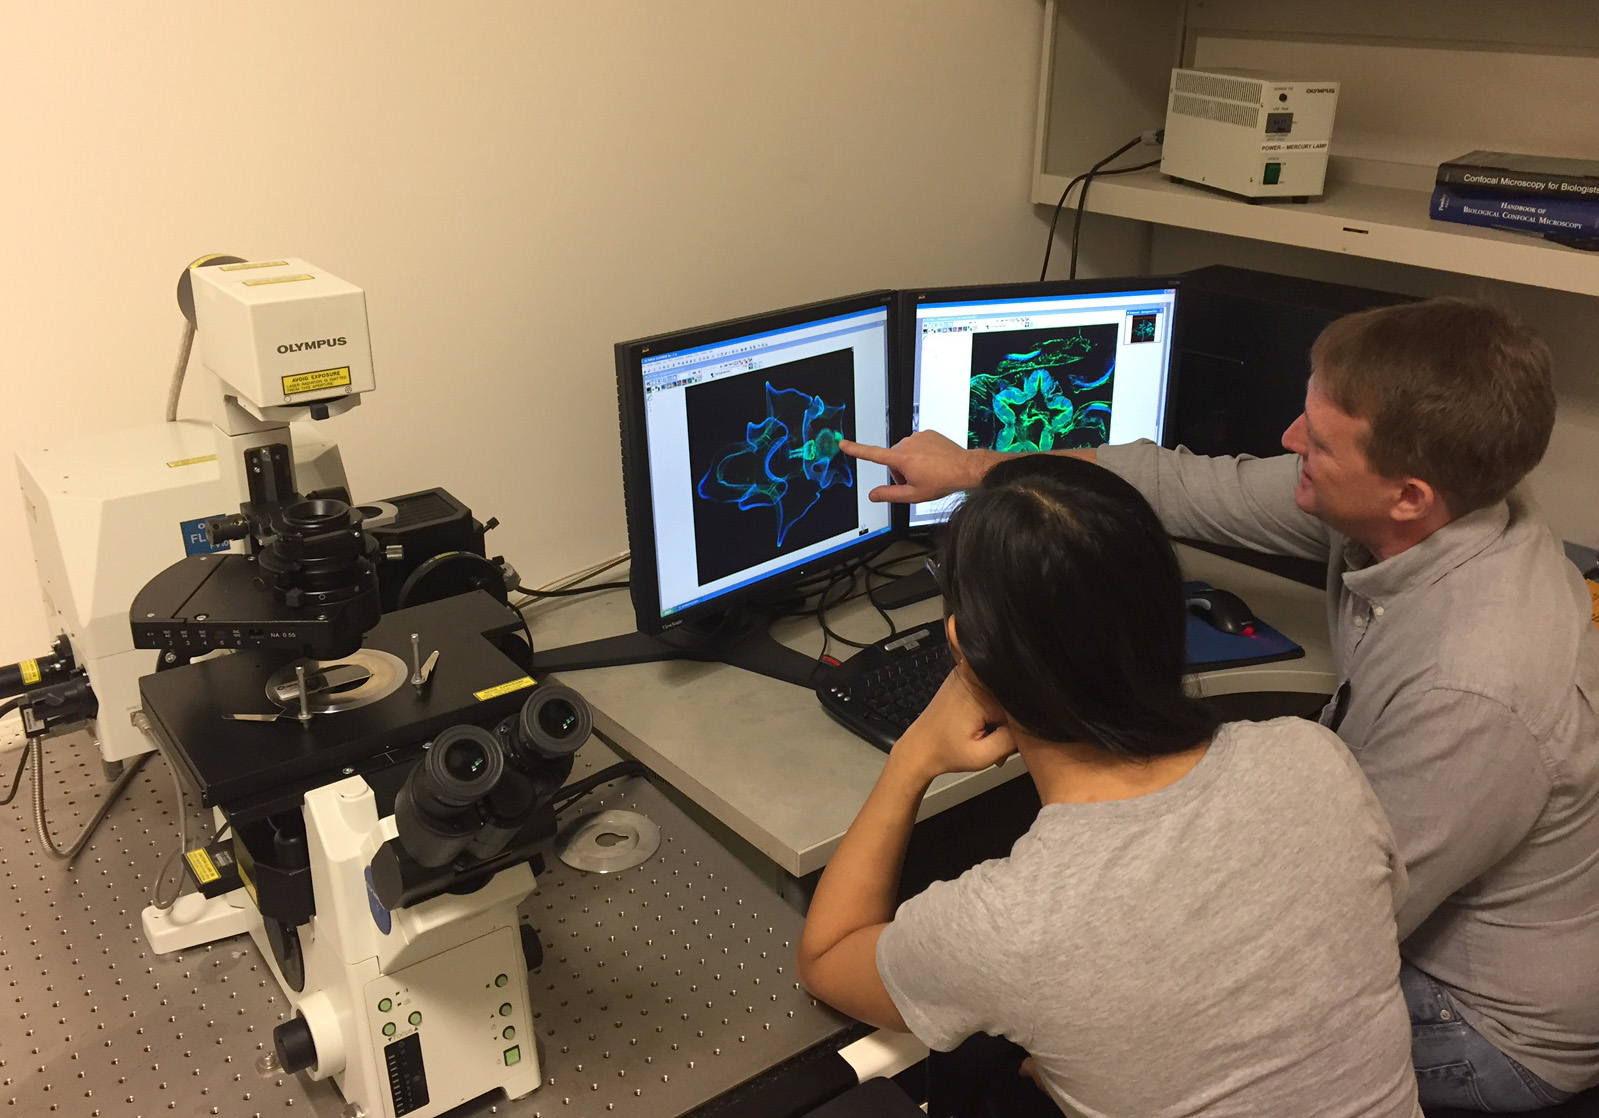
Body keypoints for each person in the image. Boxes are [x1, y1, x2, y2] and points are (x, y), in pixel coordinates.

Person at [842, 296, 1599, 1111]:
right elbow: (1183, 485)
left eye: (1317, 439)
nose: (1287, 442)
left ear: (1408, 495)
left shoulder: (1475, 684)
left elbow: (1327, 912)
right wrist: (971, 468)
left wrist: (1088, 1030)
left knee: (1039, 1021)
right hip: (1415, 906)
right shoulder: (1416, 515)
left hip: (1486, 1019)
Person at [796, 454, 1421, 1118]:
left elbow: (827, 957)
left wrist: (913, 756)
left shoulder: (1009, 924)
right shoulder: (1313, 757)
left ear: (964, 652)